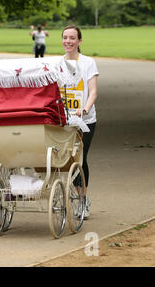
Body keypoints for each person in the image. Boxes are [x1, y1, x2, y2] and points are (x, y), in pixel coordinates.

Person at [61, 24, 98, 219]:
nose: (68, 41)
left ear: (79, 41)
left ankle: (82, 200)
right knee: (67, 160)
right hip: (63, 121)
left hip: (85, 120)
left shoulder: (88, 62)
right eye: (65, 37)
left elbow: (93, 92)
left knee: (80, 158)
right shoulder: (57, 63)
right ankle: (74, 196)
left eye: (72, 38)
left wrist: (85, 109)